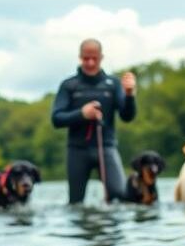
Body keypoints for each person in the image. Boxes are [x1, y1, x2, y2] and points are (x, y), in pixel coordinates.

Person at [51, 38, 137, 204]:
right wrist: (82, 114)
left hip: (106, 147)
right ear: (80, 57)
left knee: (120, 196)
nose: (90, 62)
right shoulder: (69, 85)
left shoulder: (112, 84)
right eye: (86, 58)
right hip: (77, 150)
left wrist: (129, 95)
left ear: (101, 57)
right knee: (75, 202)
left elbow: (127, 116)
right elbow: (57, 119)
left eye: (94, 58)